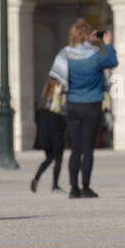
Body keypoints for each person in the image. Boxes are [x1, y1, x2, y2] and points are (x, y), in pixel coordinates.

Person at [53, 19, 116, 198]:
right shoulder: (95, 55)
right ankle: (86, 187)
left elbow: (57, 76)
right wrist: (107, 43)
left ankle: (74, 188)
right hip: (92, 104)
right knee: (88, 149)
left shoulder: (66, 53)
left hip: (73, 103)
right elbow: (112, 61)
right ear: (88, 36)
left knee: (75, 149)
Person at [31, 76, 67, 193]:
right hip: (56, 133)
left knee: (49, 159)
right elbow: (62, 117)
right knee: (58, 160)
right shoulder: (57, 100)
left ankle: (36, 178)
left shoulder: (43, 98)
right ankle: (55, 185)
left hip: (46, 135)